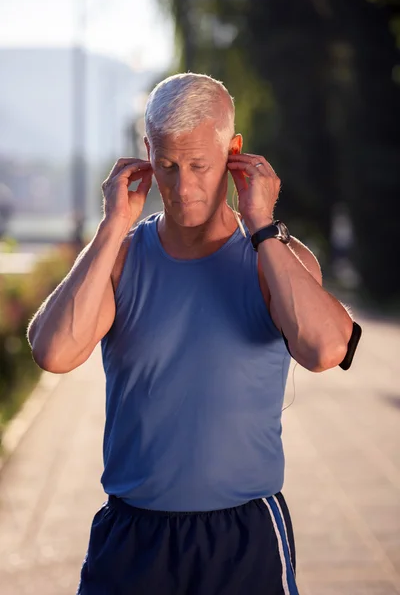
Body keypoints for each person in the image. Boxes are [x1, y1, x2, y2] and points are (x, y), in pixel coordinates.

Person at [27, 73, 355, 595]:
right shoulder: (123, 257)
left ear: (235, 153)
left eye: (200, 166)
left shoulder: (274, 260)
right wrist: (112, 227)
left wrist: (262, 226)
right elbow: (53, 351)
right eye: (168, 165)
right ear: (147, 154)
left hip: (243, 536)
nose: (182, 188)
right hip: (132, 535)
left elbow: (326, 349)